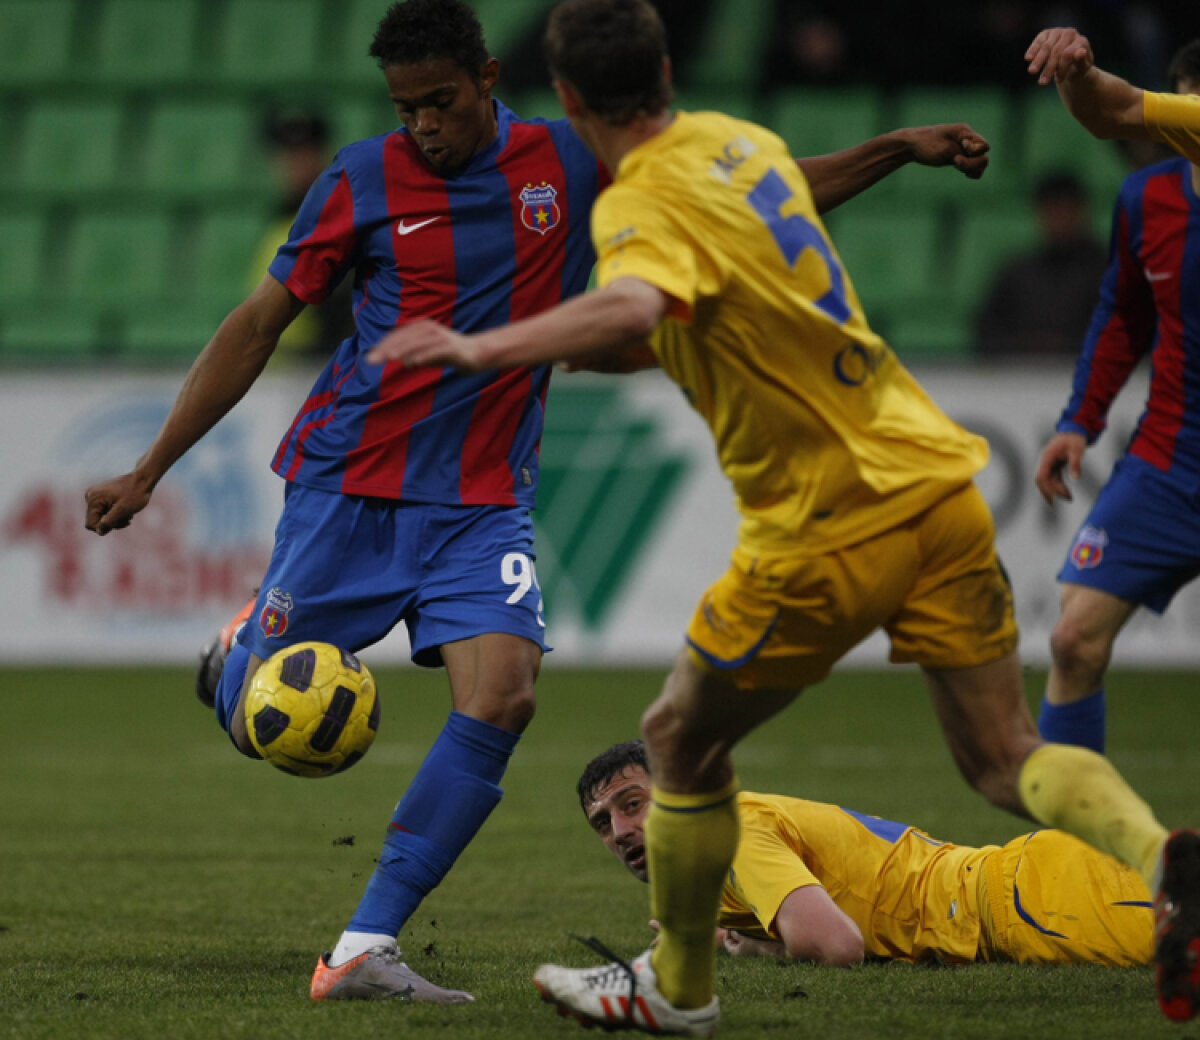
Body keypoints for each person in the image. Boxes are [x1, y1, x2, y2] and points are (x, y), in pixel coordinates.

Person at [82, 0, 1000, 1008]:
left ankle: (362, 945)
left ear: (484, 76)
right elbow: (258, 325)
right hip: (353, 485)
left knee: (506, 696)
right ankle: (234, 662)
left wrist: (895, 149)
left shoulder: (566, 160)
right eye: (406, 109)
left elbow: (752, 207)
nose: (423, 125)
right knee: (264, 717)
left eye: (439, 101)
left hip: (483, 502)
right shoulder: (360, 179)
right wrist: (151, 466)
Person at [366, 0, 1199, 1031]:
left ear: (568, 99)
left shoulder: (633, 211)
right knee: (1001, 753)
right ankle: (1164, 856)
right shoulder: (740, 146)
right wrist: (898, 144)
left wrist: (483, 345)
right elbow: (692, 300)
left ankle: (675, 987)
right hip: (936, 476)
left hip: (825, 514)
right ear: (669, 71)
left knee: (674, 740)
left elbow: (634, 305)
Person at [579, 740, 1153, 968]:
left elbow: (836, 945)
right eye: (604, 822)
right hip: (1025, 882)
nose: (622, 829)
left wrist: (758, 949)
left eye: (634, 804)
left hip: (1030, 901)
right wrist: (739, 935)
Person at [1030, 38, 1200, 760]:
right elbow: (1123, 316)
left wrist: (1081, 73)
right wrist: (1080, 421)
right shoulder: (1147, 199)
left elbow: (1113, 108)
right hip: (1172, 459)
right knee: (1073, 637)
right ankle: (1067, 856)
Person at [249, 108, 356, 362]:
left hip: (316, 362)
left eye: (305, 151)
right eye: (287, 153)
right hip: (279, 364)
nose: (296, 163)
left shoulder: (340, 218)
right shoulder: (280, 219)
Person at [974, 171, 1108, 359]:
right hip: (1019, 381)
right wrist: (1025, 348)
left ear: (1082, 211)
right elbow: (986, 335)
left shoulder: (1110, 273)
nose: (1059, 218)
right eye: (1052, 209)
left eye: (1066, 208)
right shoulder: (1016, 274)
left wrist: (1066, 348)